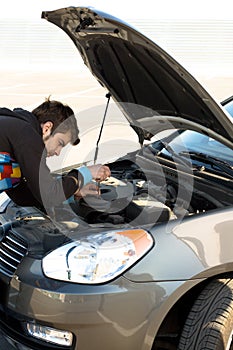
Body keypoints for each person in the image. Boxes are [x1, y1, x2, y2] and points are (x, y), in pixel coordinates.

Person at [0, 97, 111, 212]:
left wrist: (72, 191)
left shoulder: (12, 131)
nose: (58, 152)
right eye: (60, 143)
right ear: (47, 128)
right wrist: (84, 174)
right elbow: (48, 195)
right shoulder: (25, 133)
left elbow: (22, 196)